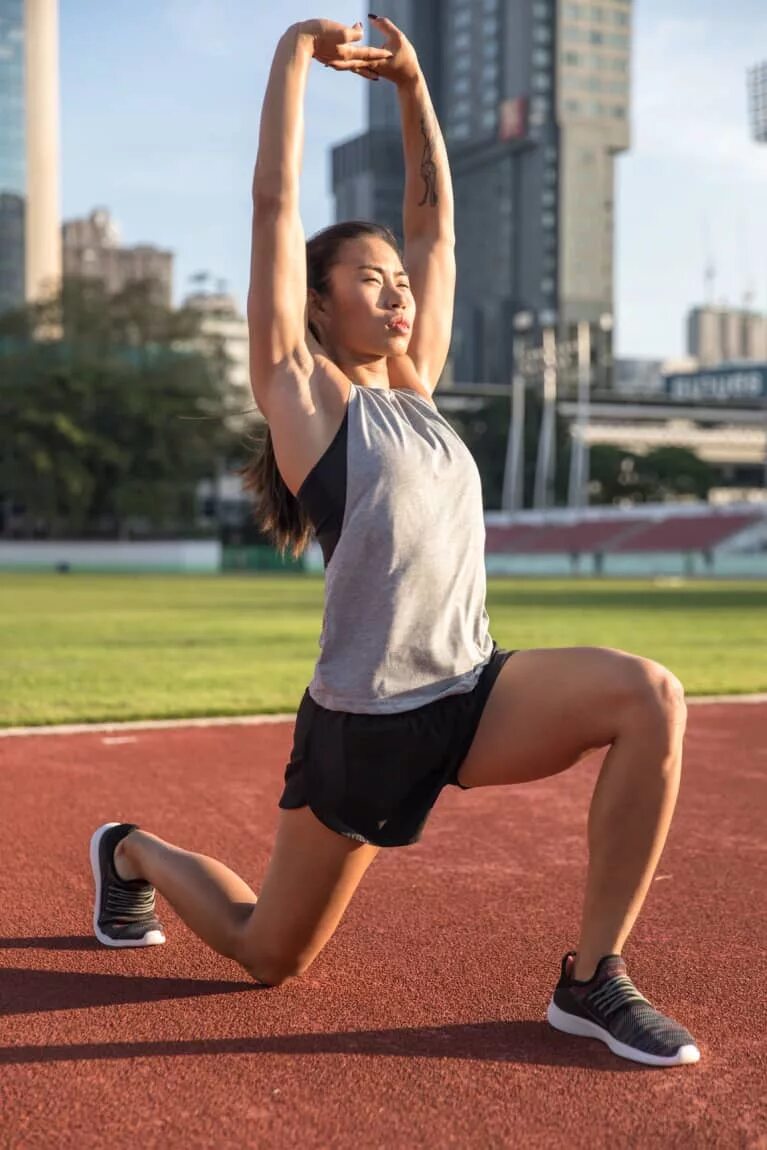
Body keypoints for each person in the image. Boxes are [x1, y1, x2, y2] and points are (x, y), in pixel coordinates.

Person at [90, 16, 699, 1069]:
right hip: (364, 725)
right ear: (317, 309)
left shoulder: (417, 390)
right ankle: (132, 849)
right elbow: (274, 207)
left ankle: (590, 977)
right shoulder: (303, 398)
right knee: (264, 953)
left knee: (647, 694)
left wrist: (414, 85)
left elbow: (437, 231)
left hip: (469, 692)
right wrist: (289, 54)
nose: (398, 289)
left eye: (398, 280)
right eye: (369, 279)